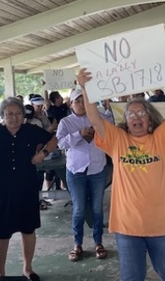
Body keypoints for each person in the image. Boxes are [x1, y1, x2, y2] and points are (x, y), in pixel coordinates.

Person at [76, 66, 165, 281]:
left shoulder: (161, 139)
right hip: (127, 224)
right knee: (132, 276)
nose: (137, 117)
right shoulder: (117, 140)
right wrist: (85, 88)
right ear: (125, 120)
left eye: (141, 113)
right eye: (131, 113)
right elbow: (95, 119)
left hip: (161, 223)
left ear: (150, 119)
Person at [0, 97, 58, 280]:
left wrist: (43, 153)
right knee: (1, 233)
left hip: (27, 186)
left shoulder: (31, 131)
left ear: (23, 115)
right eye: (9, 113)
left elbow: (55, 139)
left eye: (18, 113)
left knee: (28, 229)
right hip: (2, 189)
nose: (14, 117)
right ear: (2, 115)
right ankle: (0, 272)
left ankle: (28, 268)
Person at [56, 89, 110, 262]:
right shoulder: (66, 122)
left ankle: (98, 242)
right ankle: (77, 244)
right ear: (70, 104)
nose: (81, 104)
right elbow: (61, 143)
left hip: (97, 169)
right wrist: (78, 134)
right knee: (79, 209)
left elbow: (111, 127)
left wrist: (108, 107)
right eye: (77, 101)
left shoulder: (99, 117)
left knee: (97, 208)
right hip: (76, 171)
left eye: (84, 101)